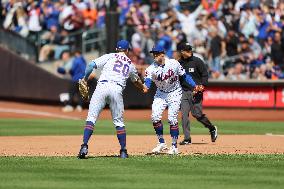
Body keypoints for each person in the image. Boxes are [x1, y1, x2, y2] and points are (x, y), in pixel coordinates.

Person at [77, 40, 147, 159]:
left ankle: (84, 146)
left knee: (91, 118)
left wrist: (85, 78)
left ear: (116, 49)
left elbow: (90, 65)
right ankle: (123, 151)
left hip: (102, 87)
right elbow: (136, 81)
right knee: (118, 122)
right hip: (116, 89)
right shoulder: (130, 64)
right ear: (127, 50)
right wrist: (142, 88)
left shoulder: (110, 56)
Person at [143, 45, 197, 155]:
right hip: (161, 94)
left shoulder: (174, 63)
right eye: (154, 54)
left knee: (172, 119)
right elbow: (148, 81)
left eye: (157, 53)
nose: (155, 55)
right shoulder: (150, 69)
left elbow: (185, 76)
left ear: (163, 54)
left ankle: (174, 147)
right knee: (155, 117)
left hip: (175, 92)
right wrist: (146, 86)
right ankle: (161, 143)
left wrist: (194, 85)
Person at [177, 43, 218, 145]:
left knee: (197, 114)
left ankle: (212, 128)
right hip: (184, 92)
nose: (190, 51)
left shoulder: (197, 61)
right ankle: (187, 138)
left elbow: (205, 74)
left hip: (196, 92)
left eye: (190, 49)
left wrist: (202, 85)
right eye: (187, 50)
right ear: (182, 52)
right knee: (184, 115)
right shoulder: (179, 63)